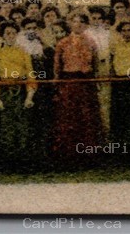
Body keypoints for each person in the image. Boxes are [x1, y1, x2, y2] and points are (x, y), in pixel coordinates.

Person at [48, 12, 102, 163]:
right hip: (68, 81)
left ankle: (88, 153)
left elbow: (95, 64)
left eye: (81, 22)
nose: (78, 25)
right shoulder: (62, 43)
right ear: (70, 24)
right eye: (74, 21)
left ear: (86, 25)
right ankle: (68, 153)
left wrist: (95, 81)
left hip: (86, 81)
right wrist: (57, 84)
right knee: (69, 116)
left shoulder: (91, 42)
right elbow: (57, 67)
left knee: (87, 116)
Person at [0, 21, 38, 165]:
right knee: (6, 124)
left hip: (21, 91)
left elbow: (30, 75)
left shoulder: (23, 52)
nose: (10, 36)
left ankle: (23, 160)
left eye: (13, 33)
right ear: (2, 35)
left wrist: (29, 96)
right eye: (7, 33)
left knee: (23, 123)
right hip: (4, 91)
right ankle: (8, 161)